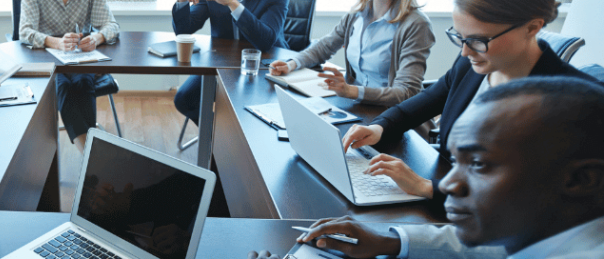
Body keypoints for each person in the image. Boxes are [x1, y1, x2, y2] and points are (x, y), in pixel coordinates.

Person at [254, 77, 604, 259]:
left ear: (581, 179)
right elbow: (501, 247)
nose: (448, 184)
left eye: (478, 165)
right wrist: (392, 241)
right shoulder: (545, 230)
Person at [340, 0, 598, 202]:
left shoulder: (573, 104)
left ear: (532, 28)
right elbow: (420, 105)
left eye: (477, 40)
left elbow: (524, 197)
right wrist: (379, 127)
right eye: (460, 37)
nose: (465, 52)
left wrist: (427, 187)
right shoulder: (473, 64)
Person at [269, 0, 434, 106]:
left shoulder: (416, 25)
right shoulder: (357, 14)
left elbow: (407, 93)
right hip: (359, 108)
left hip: (391, 118)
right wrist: (291, 64)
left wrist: (350, 91)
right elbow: (324, 46)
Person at [172, 0, 292, 125]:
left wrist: (232, 3)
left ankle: (232, 143)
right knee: (184, 100)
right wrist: (181, 2)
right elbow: (184, 31)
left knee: (249, 116)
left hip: (266, 65)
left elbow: (266, 40)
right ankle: (216, 145)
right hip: (223, 64)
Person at [18, 0, 121, 150]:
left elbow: (112, 25)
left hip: (81, 59)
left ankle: (89, 156)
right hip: (49, 61)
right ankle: (90, 154)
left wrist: (97, 36)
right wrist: (54, 42)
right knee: (63, 85)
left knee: (83, 81)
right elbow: (24, 32)